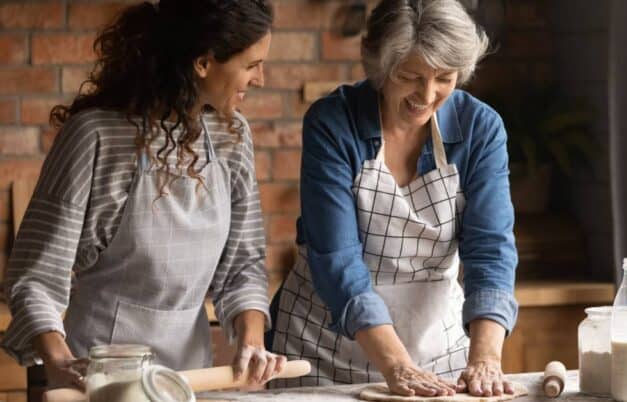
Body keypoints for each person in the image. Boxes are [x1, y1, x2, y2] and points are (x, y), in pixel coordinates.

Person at [1, 0, 284, 391]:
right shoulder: (95, 136)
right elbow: (34, 277)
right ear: (203, 63)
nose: (260, 78)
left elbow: (242, 266)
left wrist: (252, 342)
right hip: (100, 378)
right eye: (251, 65)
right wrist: (60, 361)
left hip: (189, 378)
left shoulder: (232, 136)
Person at [269, 0, 518, 397]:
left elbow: (490, 249)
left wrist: (485, 358)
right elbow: (337, 259)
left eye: (445, 78)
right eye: (410, 76)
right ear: (381, 68)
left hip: (438, 351)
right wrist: (396, 364)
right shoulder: (334, 123)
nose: (428, 93)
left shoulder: (480, 129)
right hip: (321, 349)